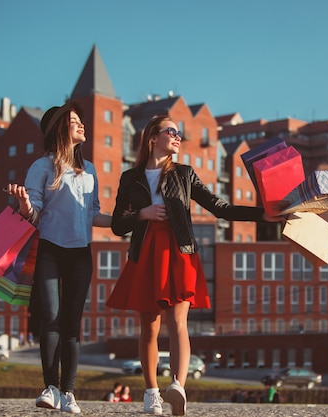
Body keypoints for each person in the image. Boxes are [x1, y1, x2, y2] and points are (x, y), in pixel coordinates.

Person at [106, 115, 282, 416]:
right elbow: (117, 226)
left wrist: (261, 215)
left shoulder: (184, 174)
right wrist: (143, 214)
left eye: (179, 132)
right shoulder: (129, 178)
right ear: (152, 138)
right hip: (145, 253)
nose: (178, 136)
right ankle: (151, 393)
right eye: (171, 131)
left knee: (178, 323)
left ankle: (177, 386)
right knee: (149, 327)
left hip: (179, 252)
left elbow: (219, 207)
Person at [5, 100, 112, 414]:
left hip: (81, 253)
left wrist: (126, 220)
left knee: (72, 325)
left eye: (81, 120)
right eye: (75, 120)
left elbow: (94, 215)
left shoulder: (89, 170)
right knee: (50, 319)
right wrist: (24, 203)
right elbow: (34, 216)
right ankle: (50, 388)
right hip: (50, 249)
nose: (82, 125)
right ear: (60, 128)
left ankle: (69, 393)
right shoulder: (42, 167)